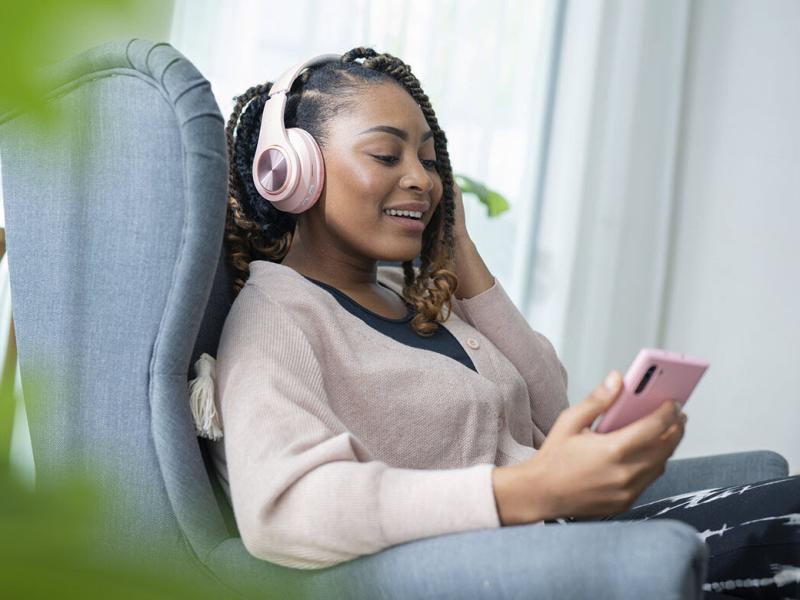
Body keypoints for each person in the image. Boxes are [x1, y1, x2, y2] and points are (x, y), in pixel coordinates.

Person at [211, 47, 799, 597]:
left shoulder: (406, 295)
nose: (421, 179)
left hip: (571, 534)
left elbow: (552, 411)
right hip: (519, 565)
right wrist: (524, 491)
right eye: (387, 155)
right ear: (289, 172)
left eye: (429, 161)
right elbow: (285, 508)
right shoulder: (278, 313)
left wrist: (458, 245)